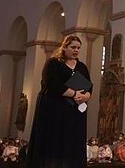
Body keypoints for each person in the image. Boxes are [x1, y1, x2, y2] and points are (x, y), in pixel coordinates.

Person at [26, 35, 92, 167]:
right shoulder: (54, 63)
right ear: (64, 47)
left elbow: (89, 86)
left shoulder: (81, 67)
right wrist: (73, 93)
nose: (76, 50)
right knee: (54, 143)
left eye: (78, 48)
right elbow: (50, 84)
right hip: (55, 110)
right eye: (73, 47)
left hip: (74, 113)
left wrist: (86, 96)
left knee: (72, 144)